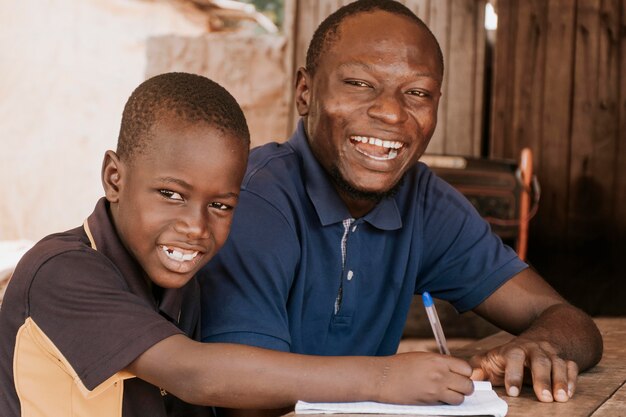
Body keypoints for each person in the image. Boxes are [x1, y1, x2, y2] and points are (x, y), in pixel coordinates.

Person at [199, 0, 603, 413]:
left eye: (417, 93)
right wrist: (389, 378)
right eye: (358, 83)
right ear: (305, 92)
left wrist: (539, 346)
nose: (391, 113)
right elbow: (243, 399)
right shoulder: (255, 200)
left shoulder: (423, 202)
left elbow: (569, 320)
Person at [0, 72, 480, 417]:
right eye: (171, 194)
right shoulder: (61, 271)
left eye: (221, 205)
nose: (195, 227)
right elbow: (195, 373)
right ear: (114, 178)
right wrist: (383, 378)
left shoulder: (182, 286)